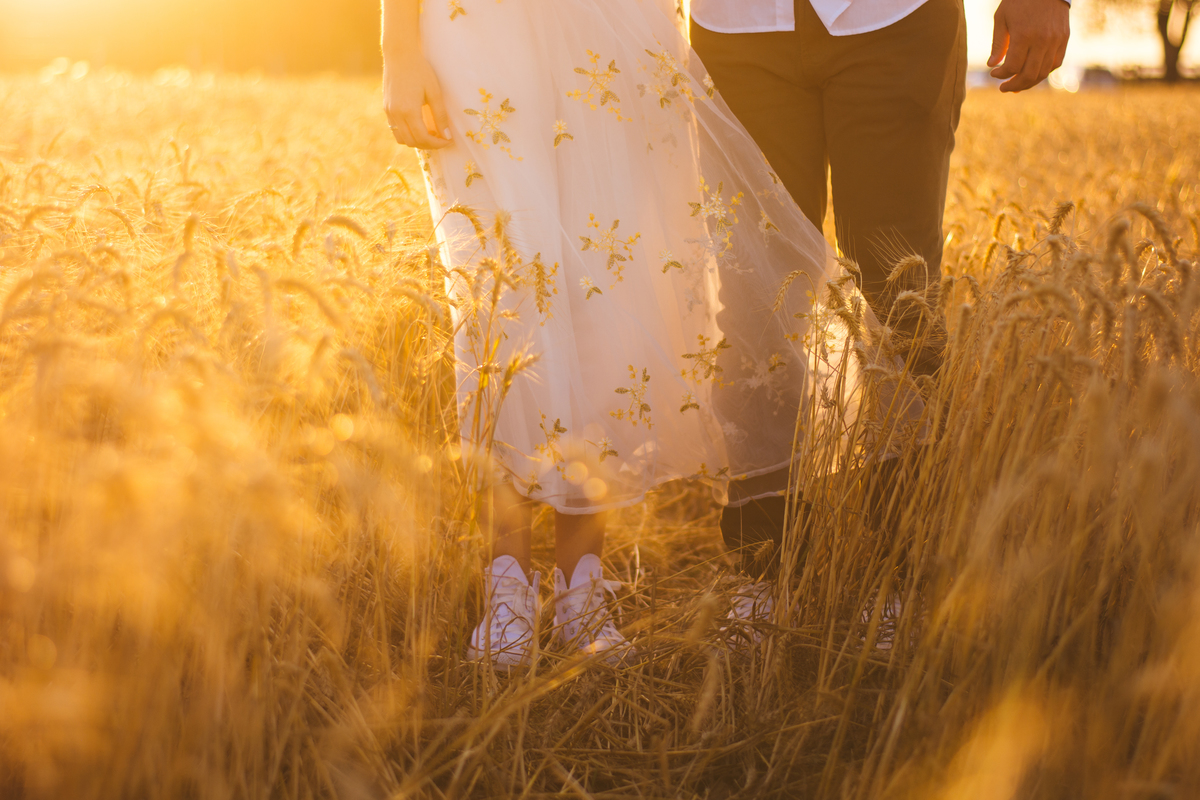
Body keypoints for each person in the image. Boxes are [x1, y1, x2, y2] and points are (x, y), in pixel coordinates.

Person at [382, 0, 907, 666]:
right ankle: (505, 584)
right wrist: (397, 45)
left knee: (607, 284)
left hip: (614, 18)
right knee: (499, 282)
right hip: (478, 24)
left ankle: (581, 587)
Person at [688, 0, 1070, 607]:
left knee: (899, 296)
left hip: (892, 19)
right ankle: (767, 567)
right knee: (754, 293)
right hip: (737, 26)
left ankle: (902, 571)